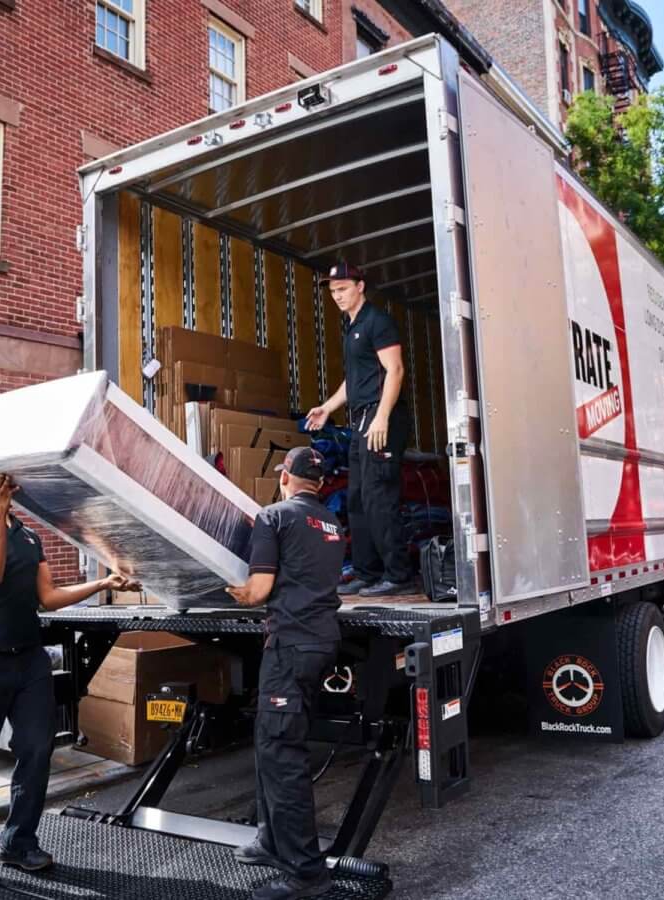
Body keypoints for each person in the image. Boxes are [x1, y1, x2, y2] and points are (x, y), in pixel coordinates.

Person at [0, 474, 138, 893]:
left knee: (37, 751)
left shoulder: (30, 538)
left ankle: (19, 843)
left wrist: (103, 582)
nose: (5, 489)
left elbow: (47, 598)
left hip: (29, 661)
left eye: (6, 484)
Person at [227, 447, 345, 900]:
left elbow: (259, 590)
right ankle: (269, 840)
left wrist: (228, 591)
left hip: (290, 645)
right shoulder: (333, 523)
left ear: (286, 478)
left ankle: (305, 874)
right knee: (269, 740)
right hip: (321, 642)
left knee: (282, 756)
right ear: (317, 482)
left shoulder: (273, 517)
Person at [305, 260, 412, 597]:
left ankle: (398, 575)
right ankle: (367, 572)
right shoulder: (352, 327)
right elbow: (354, 381)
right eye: (333, 291)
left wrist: (382, 417)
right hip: (362, 417)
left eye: (343, 289)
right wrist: (327, 407)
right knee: (357, 499)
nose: (337, 296)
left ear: (360, 286)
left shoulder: (377, 322)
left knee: (379, 496)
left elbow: (394, 371)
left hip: (381, 418)